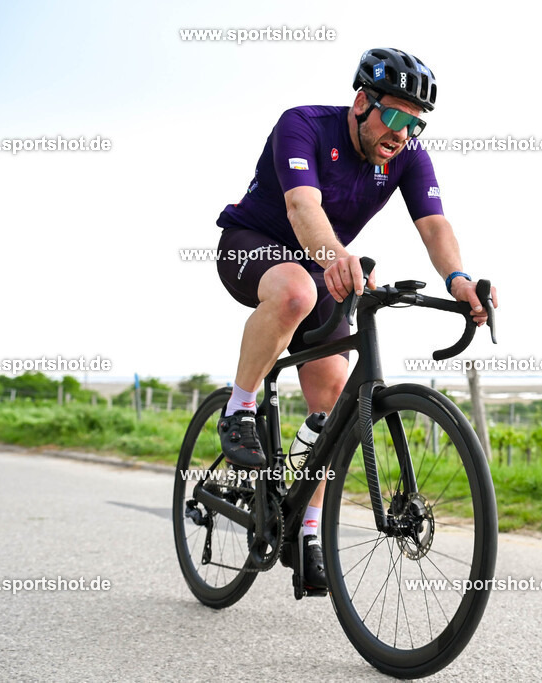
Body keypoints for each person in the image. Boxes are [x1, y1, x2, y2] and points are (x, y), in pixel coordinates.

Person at [213, 47, 496, 592]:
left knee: (336, 405)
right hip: (254, 247)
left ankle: (309, 533)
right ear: (362, 103)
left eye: (415, 123)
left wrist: (458, 279)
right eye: (394, 116)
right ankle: (240, 408)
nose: (403, 133)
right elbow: (302, 208)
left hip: (325, 264)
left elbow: (435, 225)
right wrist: (330, 257)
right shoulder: (303, 125)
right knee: (296, 290)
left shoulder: (407, 154)